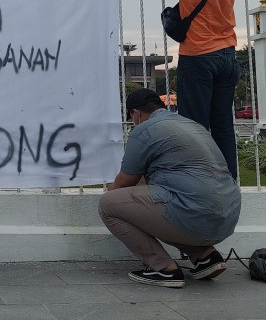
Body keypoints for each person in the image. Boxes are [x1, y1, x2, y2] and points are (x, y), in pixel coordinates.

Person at [147, 0, 262, 179]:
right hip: (227, 55)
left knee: (194, 127)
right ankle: (227, 183)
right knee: (223, 126)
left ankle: (198, 182)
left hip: (198, 56)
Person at [100, 88, 241, 289]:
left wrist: (110, 186)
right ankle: (205, 256)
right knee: (163, 204)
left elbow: (124, 183)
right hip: (227, 215)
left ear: (136, 113)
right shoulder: (191, 124)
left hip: (193, 211)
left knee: (108, 205)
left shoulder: (144, 129)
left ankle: (163, 268)